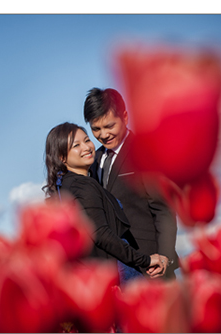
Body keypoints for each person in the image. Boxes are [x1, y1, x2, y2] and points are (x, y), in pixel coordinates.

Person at [44, 122, 168, 282]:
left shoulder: (65, 187)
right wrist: (145, 260)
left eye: (87, 140)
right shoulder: (82, 185)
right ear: (62, 157)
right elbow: (100, 234)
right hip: (118, 270)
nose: (87, 147)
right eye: (76, 145)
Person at [83, 88, 179, 278]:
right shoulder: (93, 161)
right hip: (112, 271)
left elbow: (163, 209)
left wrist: (165, 257)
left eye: (109, 126)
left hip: (150, 267)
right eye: (96, 129)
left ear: (125, 117)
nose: (103, 135)